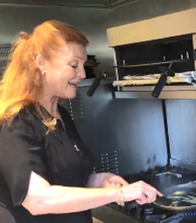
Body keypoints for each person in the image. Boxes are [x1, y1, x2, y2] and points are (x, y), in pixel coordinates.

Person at [0, 20, 162, 223]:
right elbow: (38, 200)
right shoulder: (15, 121)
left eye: (83, 65)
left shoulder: (60, 115)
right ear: (41, 63)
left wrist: (100, 180)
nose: (83, 74)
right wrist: (118, 195)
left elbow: (68, 178)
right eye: (74, 64)